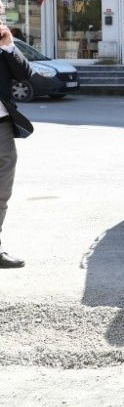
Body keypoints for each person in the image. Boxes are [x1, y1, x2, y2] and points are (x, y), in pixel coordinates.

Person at [0, 15, 30, 268]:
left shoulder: (3, 46)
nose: (1, 18)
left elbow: (24, 73)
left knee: (1, 193)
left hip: (2, 129)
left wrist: (9, 46)